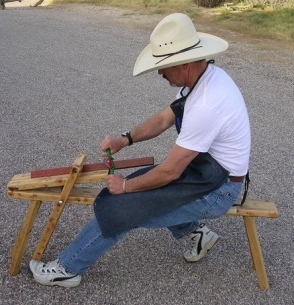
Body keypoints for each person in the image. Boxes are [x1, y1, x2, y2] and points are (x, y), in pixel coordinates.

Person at [29, 13, 251, 288]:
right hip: (205, 170)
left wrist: (124, 187)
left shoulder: (207, 104)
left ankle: (67, 267)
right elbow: (163, 119)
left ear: (184, 63)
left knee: (124, 208)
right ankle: (197, 234)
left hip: (218, 190)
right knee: (147, 185)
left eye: (164, 66)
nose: (160, 72)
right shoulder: (204, 78)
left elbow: (170, 172)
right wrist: (125, 139)